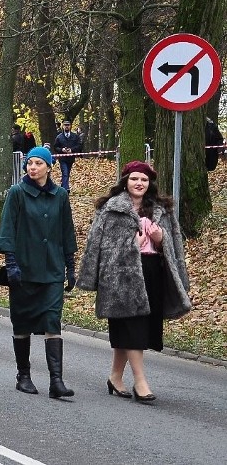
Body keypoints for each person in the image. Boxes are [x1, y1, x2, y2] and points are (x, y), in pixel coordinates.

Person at [77, 161, 191, 402]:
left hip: (152, 272)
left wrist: (161, 240)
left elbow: (175, 247)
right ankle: (141, 382)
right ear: (125, 182)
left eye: (144, 180)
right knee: (133, 328)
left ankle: (115, 377)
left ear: (149, 184)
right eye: (134, 179)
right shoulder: (111, 209)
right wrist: (132, 246)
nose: (139, 183)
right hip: (120, 277)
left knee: (132, 329)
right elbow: (98, 247)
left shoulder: (162, 210)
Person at [0, 146, 77, 398]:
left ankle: (56, 381)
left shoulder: (60, 195)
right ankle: (24, 375)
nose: (32, 167)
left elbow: (66, 231)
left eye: (38, 163)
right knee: (22, 323)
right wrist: (11, 263)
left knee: (53, 321)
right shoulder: (17, 193)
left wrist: (70, 266)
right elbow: (7, 227)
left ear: (49, 167)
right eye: (30, 163)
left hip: (52, 270)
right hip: (23, 270)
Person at [53, 119, 82, 192]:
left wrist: (71, 150)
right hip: (62, 158)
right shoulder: (59, 137)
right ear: (63, 126)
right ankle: (66, 189)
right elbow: (55, 147)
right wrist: (62, 150)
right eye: (65, 125)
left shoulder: (75, 136)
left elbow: (79, 146)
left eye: (68, 125)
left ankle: (63, 186)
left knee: (67, 173)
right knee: (65, 172)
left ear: (70, 126)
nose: (66, 127)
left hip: (71, 158)